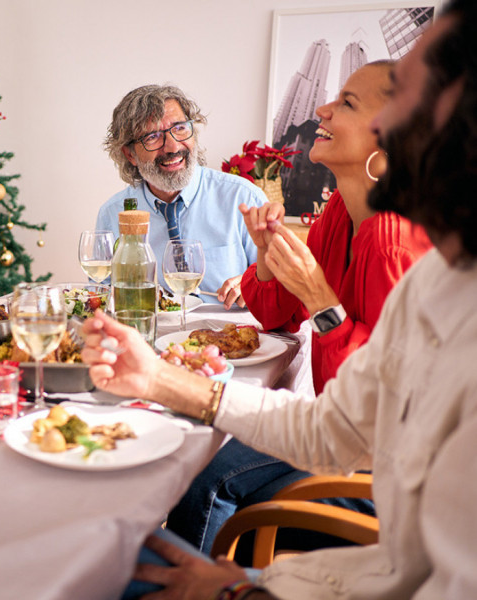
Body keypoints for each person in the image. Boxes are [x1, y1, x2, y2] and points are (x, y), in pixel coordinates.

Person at [83, 3, 477, 597]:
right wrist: (159, 378)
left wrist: (241, 589)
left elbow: (412, 548)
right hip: (316, 570)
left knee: (143, 529)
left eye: (351, 102)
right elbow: (338, 421)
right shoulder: (422, 272)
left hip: (337, 531)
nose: (319, 108)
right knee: (115, 547)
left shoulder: (401, 247)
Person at [165, 61, 433, 555]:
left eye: (347, 103)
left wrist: (319, 299)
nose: (321, 109)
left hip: (390, 469)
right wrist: (266, 258)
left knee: (204, 482)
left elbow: (375, 408)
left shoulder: (392, 240)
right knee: (202, 461)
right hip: (345, 430)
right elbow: (274, 314)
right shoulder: (338, 213)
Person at [96, 85, 267, 307]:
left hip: (231, 335)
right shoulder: (113, 214)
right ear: (130, 154)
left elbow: (281, 285)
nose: (173, 146)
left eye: (179, 128)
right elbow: (100, 300)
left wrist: (253, 283)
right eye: (152, 137)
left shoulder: (243, 198)